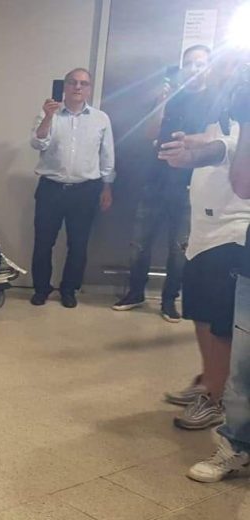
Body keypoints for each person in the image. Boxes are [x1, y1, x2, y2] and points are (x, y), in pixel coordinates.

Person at [157, 113, 248, 430]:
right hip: (203, 235)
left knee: (219, 322)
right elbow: (212, 139)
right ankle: (209, 380)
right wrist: (189, 141)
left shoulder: (244, 122)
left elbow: (223, 147)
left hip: (231, 234)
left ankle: (216, 399)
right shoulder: (221, 116)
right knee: (199, 313)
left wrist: (190, 156)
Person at [113, 45, 216, 321]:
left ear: (208, 67)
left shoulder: (215, 100)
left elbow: (213, 139)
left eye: (200, 63)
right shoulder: (172, 97)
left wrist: (187, 141)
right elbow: (150, 134)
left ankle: (170, 300)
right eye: (189, 63)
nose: (194, 68)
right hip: (155, 180)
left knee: (179, 248)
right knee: (139, 243)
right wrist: (161, 103)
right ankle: (135, 293)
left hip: (190, 185)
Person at [29, 68, 115, 308]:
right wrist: (48, 117)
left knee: (78, 245)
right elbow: (37, 143)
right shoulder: (48, 114)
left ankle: (69, 290)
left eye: (83, 83)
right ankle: (41, 289)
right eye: (73, 82)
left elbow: (107, 156)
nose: (78, 87)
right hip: (51, 189)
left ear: (89, 89)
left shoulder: (101, 119)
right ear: (65, 86)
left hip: (85, 190)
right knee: (43, 243)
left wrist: (107, 187)